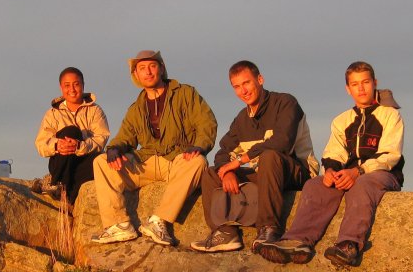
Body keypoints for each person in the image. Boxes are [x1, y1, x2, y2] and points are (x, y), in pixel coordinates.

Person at [257, 61, 404, 267]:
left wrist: (359, 171)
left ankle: (348, 243)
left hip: (381, 174)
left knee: (362, 185)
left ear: (374, 83)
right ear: (348, 89)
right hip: (348, 173)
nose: (361, 88)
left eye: (365, 82)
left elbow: (390, 155)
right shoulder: (341, 120)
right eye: (355, 84)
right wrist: (332, 172)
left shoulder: (390, 115)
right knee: (316, 185)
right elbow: (333, 152)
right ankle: (298, 241)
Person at [91, 50, 217, 247]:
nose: (148, 72)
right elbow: (125, 135)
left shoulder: (185, 93)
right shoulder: (137, 107)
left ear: (161, 69)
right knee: (101, 162)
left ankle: (158, 221)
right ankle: (120, 225)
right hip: (146, 162)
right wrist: (114, 149)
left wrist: (199, 146)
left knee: (198, 162)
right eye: (142, 68)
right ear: (136, 75)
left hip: (177, 160)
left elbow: (206, 123)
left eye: (152, 66)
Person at [191, 60, 318, 253]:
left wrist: (240, 161)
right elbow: (223, 151)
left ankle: (269, 230)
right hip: (263, 174)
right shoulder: (242, 119)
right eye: (237, 87)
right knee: (211, 173)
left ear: (260, 79)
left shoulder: (285, 103)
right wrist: (227, 173)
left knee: (269, 156)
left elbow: (282, 143)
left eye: (247, 83)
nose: (243, 91)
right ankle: (225, 232)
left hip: (296, 171)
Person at [31, 67, 110, 205]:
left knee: (101, 160)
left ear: (83, 85)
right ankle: (57, 183)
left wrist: (79, 146)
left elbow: (101, 139)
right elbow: (41, 143)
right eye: (67, 85)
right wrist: (58, 145)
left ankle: (68, 198)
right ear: (61, 87)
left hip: (84, 163)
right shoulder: (53, 113)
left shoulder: (95, 111)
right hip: (61, 162)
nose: (72, 89)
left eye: (76, 84)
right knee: (70, 132)